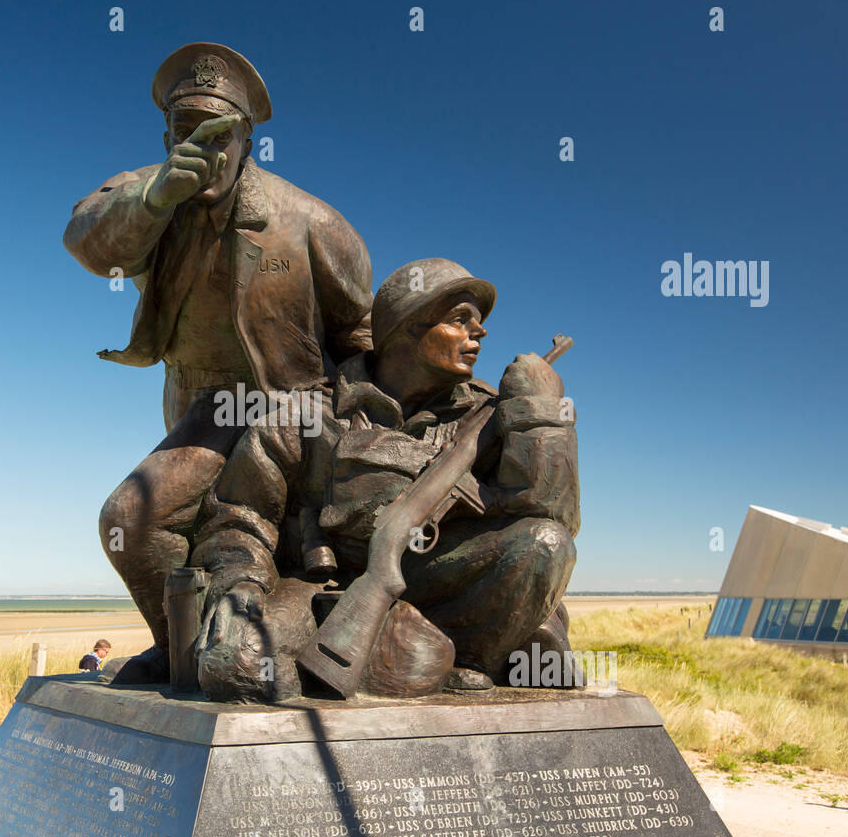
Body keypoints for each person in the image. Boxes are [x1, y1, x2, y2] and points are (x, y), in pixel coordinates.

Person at [63, 42, 374, 684]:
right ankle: (183, 646)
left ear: (247, 139)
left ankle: (214, 649)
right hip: (197, 409)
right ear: (168, 132)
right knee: (150, 524)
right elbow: (88, 244)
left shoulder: (312, 222)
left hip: (288, 410)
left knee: (133, 515)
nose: (203, 143)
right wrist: (154, 199)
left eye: (220, 130)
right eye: (185, 128)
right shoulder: (150, 196)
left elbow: (363, 334)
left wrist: (347, 427)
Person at [189, 258, 580, 702]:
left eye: (479, 322)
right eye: (460, 320)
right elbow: (241, 516)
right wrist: (239, 583)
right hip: (328, 590)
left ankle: (466, 654)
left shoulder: (489, 413)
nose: (481, 332)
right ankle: (428, 652)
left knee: (546, 543)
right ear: (408, 327)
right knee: (236, 666)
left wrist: (542, 413)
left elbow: (552, 511)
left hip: (448, 583)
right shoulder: (309, 414)